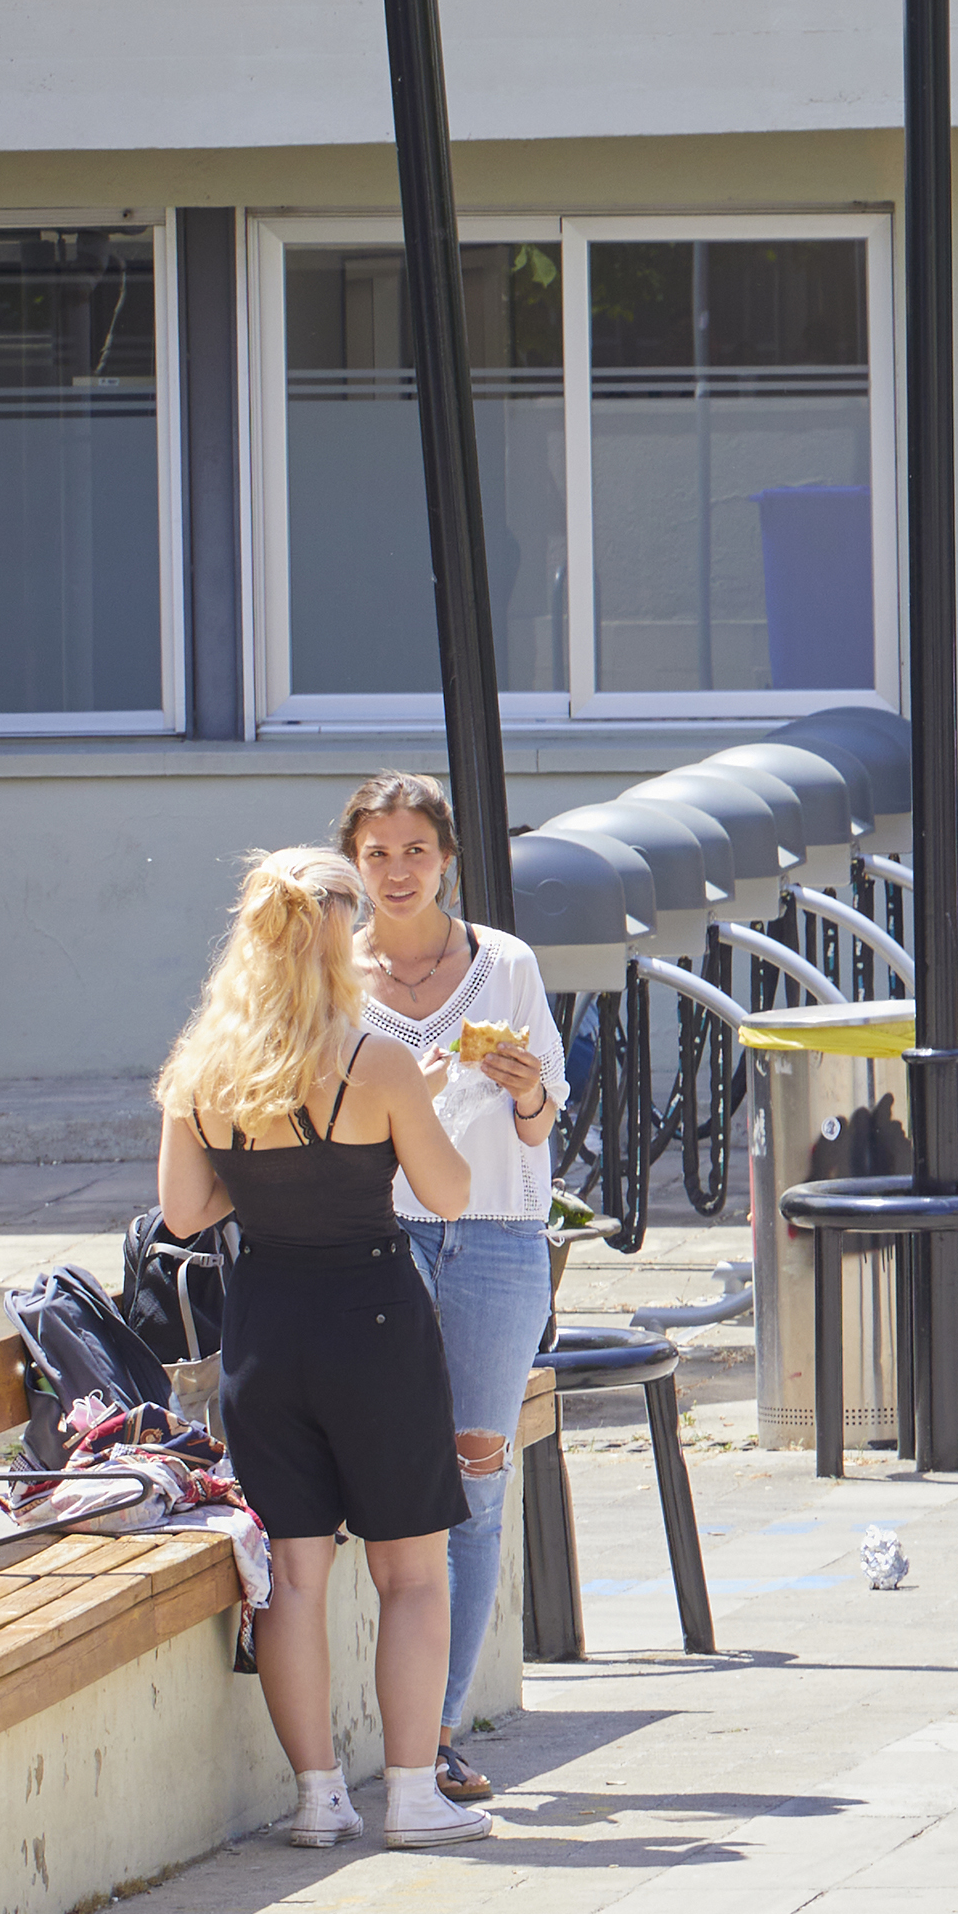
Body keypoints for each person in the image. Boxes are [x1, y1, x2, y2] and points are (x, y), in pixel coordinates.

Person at [150, 848, 499, 1851]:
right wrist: (410, 1110)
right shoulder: (374, 1058)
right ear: (340, 936)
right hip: (373, 1326)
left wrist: (267, 1180)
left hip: (265, 1326)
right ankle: (410, 1796)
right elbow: (448, 1195)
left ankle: (316, 1799)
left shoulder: (203, 1069)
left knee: (295, 1579)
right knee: (413, 1575)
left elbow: (184, 1211)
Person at [334, 772, 561, 1805]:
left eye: (413, 850)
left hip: (497, 1238)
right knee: (382, 1477)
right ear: (354, 860)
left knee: (476, 1475)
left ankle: (436, 1728)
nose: (394, 871)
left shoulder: (503, 963)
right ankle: (368, 1722)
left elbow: (544, 1120)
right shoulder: (335, 971)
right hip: (382, 1241)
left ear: (446, 858)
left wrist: (525, 1094)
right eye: (376, 853)